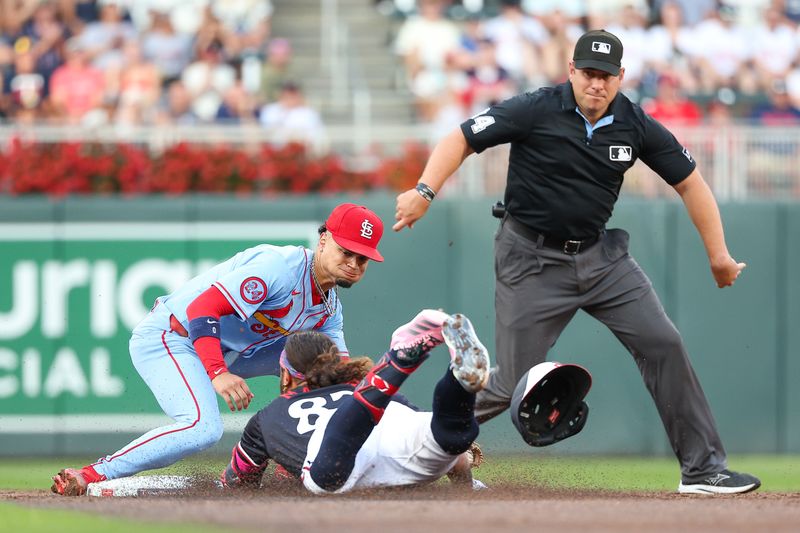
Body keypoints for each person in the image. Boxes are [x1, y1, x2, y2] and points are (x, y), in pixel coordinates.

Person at [393, 29, 761, 495]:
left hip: (601, 258)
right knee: (509, 384)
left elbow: (690, 182)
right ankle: (413, 443)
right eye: (588, 73)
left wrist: (719, 255)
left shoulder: (635, 124)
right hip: (530, 258)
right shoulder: (535, 108)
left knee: (663, 342)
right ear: (571, 71)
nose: (597, 84)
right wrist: (425, 190)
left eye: (606, 76)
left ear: (621, 77)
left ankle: (703, 469)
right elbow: (462, 138)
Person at [51, 203, 385, 496]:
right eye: (346, 251)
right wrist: (217, 373)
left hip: (230, 351)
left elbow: (342, 382)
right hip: (172, 335)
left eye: (363, 258)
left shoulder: (329, 310)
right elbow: (202, 308)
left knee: (327, 372)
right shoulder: (280, 268)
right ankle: (94, 473)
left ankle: (295, 457)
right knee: (202, 428)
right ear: (323, 239)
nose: (354, 263)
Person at [218, 309, 490, 493]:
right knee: (449, 434)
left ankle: (398, 361)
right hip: (393, 428)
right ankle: (457, 379)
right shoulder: (353, 387)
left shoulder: (267, 417)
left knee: (332, 463)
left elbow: (238, 482)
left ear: (286, 375)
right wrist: (463, 480)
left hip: (336, 457)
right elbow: (458, 460)